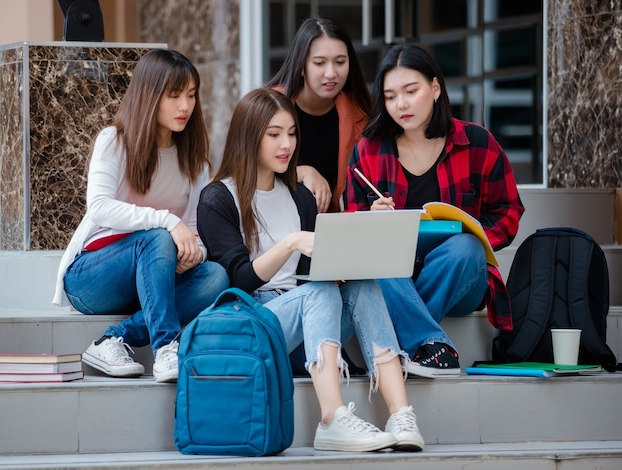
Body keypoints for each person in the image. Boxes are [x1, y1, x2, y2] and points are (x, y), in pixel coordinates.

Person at [197, 88, 424, 453]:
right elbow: (238, 278)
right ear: (248, 135)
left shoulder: (299, 197)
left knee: (362, 285)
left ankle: (400, 413)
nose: (286, 143)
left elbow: (319, 265)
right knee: (318, 292)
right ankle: (332, 418)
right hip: (255, 323)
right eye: (274, 134)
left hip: (307, 328)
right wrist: (289, 243)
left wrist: (367, 226)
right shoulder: (218, 198)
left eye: (291, 133)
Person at [345, 44, 524, 378]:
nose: (401, 104)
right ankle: (431, 346)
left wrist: (472, 231)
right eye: (390, 96)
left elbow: (509, 210)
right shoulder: (368, 151)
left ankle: (404, 337)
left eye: (411, 91)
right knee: (376, 256)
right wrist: (371, 218)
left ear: (435, 88)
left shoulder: (477, 143)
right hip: (394, 279)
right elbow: (355, 235)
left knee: (465, 247)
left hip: (459, 278)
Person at [52, 49, 230, 383]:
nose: (185, 106)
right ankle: (166, 347)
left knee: (216, 276)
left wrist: (195, 253)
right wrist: (166, 221)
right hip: (93, 278)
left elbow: (194, 229)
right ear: (149, 95)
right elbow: (100, 207)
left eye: (191, 95)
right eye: (174, 95)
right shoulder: (115, 141)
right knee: (157, 237)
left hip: (155, 277)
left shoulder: (195, 161)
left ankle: (114, 339)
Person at [266, 17, 370, 213]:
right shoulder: (267, 108)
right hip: (270, 221)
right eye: (319, 63)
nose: (331, 73)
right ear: (301, 65)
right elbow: (243, 169)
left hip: (333, 227)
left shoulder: (361, 116)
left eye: (340, 62)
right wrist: (301, 172)